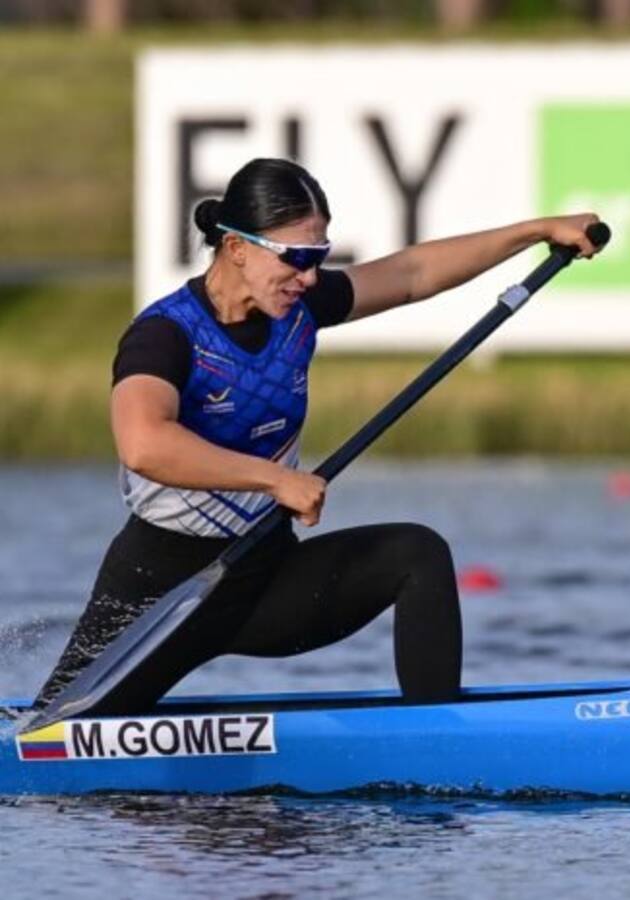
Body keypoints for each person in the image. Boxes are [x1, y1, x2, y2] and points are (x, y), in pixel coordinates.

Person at [34, 157, 601, 715]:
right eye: (297, 258)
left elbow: (411, 275)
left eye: (319, 258)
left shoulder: (300, 307)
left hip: (264, 581)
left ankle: (437, 739)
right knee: (46, 742)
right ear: (236, 248)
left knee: (417, 553)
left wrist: (537, 232)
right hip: (158, 591)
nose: (309, 276)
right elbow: (144, 444)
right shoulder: (164, 336)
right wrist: (275, 478)